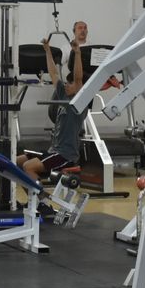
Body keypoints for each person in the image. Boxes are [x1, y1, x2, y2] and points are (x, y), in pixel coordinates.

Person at [21, 21, 91, 180]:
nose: (67, 84)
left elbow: (78, 78)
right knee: (17, 161)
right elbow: (53, 74)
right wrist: (47, 50)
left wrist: (78, 53)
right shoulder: (63, 95)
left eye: (70, 83)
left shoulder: (78, 102)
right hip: (53, 151)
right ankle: (25, 200)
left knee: (27, 167)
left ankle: (39, 201)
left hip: (65, 156)